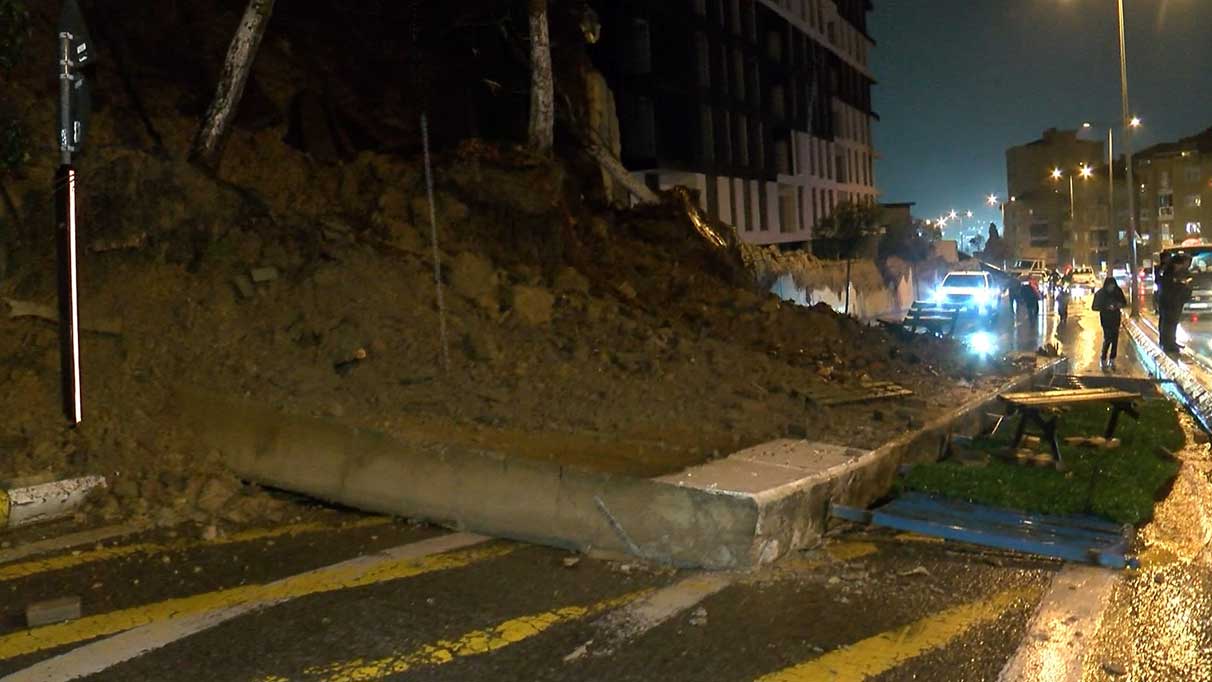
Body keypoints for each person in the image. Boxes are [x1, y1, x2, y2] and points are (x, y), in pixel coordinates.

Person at [1158, 254, 1192, 354]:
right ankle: (1168, 344)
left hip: (1176, 301)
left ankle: (1171, 342)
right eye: (1185, 263)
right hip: (1168, 302)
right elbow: (1167, 287)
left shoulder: (1180, 272)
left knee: (1172, 323)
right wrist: (1180, 284)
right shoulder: (1168, 273)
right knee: (1168, 323)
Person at [1092, 276, 1128, 368]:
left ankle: (1112, 359)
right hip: (1106, 319)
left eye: (1113, 286)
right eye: (1110, 286)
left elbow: (1124, 303)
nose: (1111, 288)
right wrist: (1105, 307)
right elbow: (1094, 306)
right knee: (1108, 338)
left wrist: (1118, 305)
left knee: (1115, 339)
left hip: (1115, 318)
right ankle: (1103, 358)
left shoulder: (1118, 292)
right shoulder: (1101, 293)